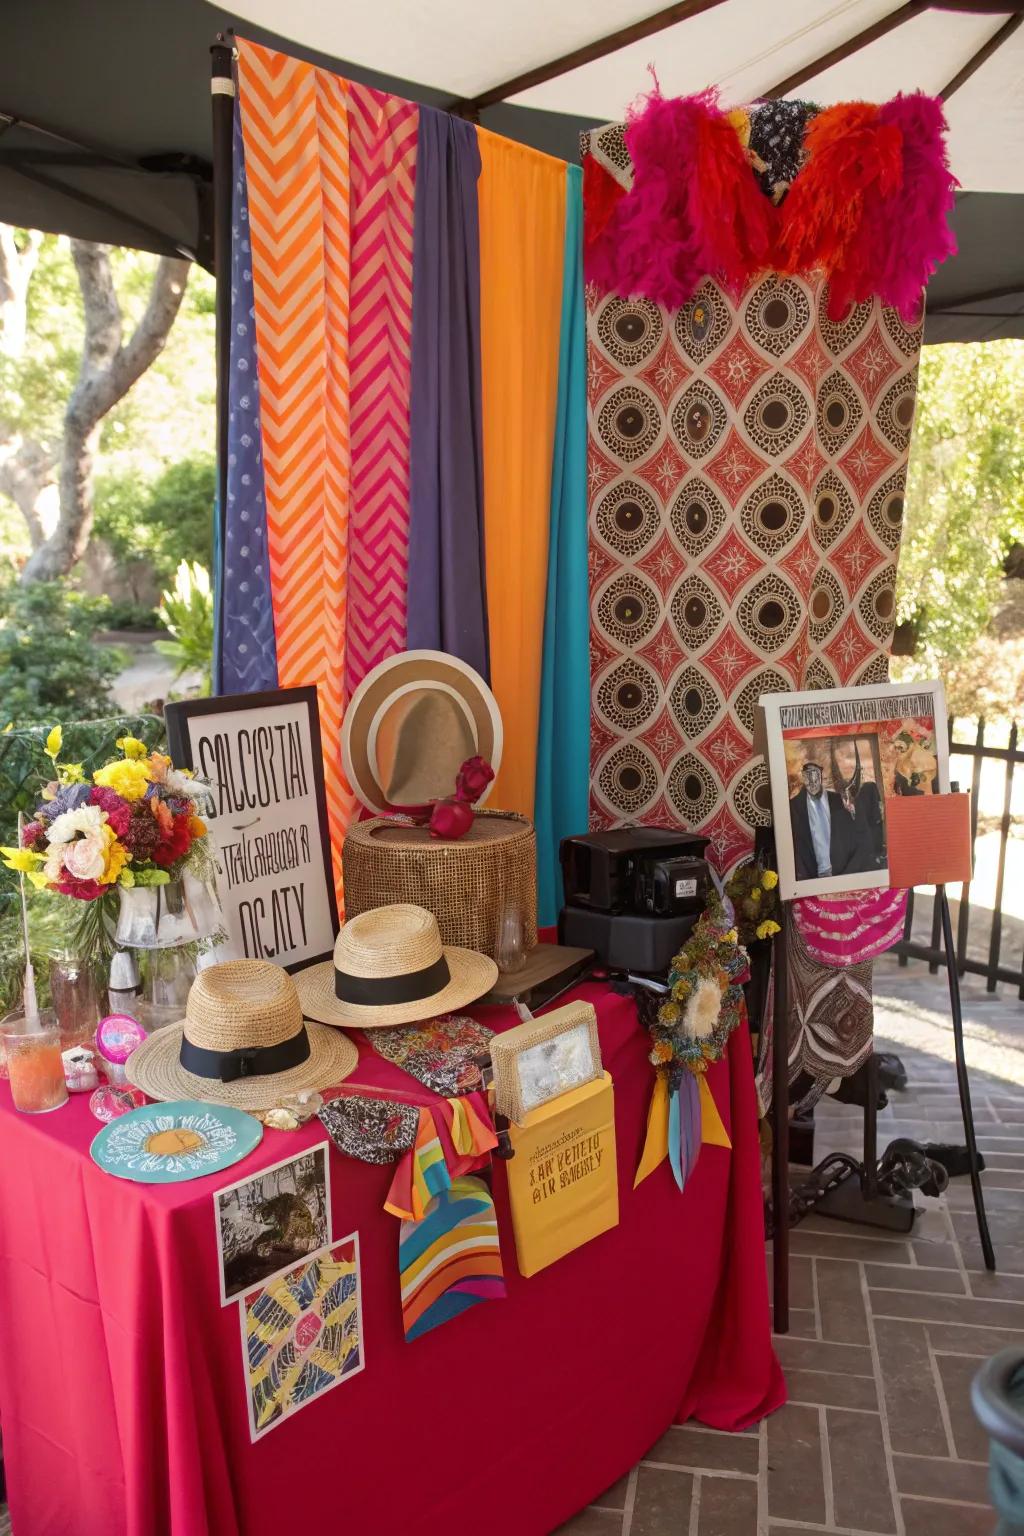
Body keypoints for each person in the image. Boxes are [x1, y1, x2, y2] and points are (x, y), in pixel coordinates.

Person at [830, 739, 885, 873]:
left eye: (849, 757)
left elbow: (877, 829)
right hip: (848, 869)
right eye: (840, 759)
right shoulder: (832, 803)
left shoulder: (869, 790)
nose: (846, 763)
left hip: (871, 864)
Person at [789, 760, 849, 880]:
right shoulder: (795, 805)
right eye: (807, 776)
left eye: (814, 775)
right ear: (803, 778)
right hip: (812, 873)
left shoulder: (836, 799)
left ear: (821, 776)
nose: (812, 782)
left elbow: (845, 834)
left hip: (840, 870)